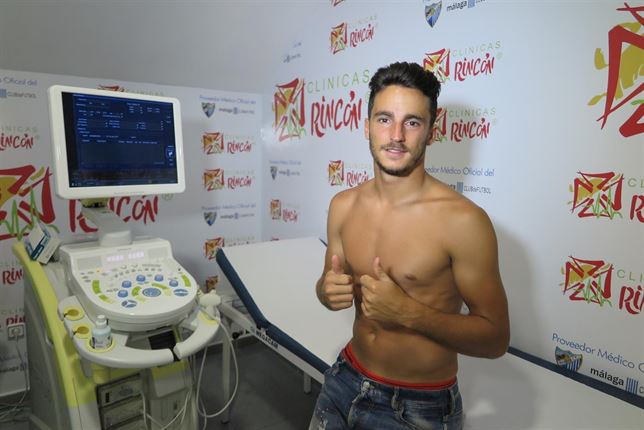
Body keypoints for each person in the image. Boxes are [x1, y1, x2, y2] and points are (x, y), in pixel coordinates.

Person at [309, 62, 510, 430]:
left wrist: (408, 313)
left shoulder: (464, 221)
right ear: (366, 125)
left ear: (432, 131)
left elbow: (496, 339)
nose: (396, 135)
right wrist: (326, 290)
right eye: (384, 119)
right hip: (344, 378)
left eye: (412, 122)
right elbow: (327, 283)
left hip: (418, 406)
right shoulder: (343, 206)